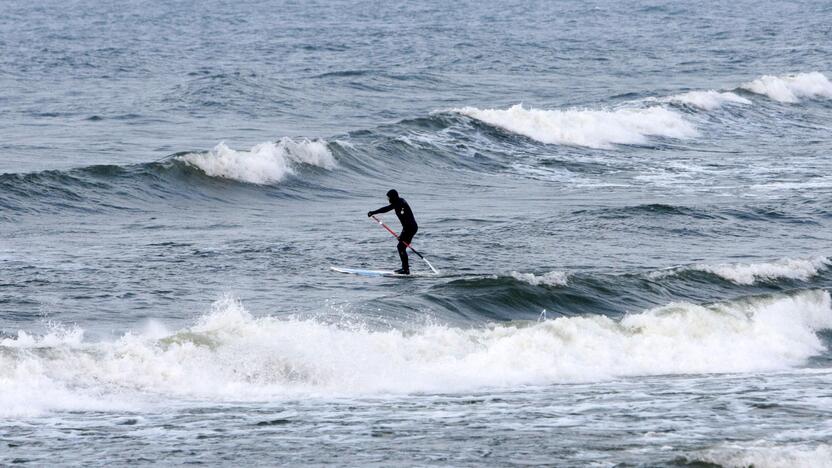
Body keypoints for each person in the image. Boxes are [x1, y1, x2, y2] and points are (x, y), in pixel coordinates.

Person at [368, 189, 418, 274]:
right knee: (401, 247)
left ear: (393, 197)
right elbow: (387, 208)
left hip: (410, 228)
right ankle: (405, 269)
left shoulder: (400, 203)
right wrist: (374, 212)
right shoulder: (399, 202)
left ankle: (405, 270)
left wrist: (373, 212)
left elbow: (386, 209)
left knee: (401, 247)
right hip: (410, 227)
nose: (388, 200)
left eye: (389, 198)